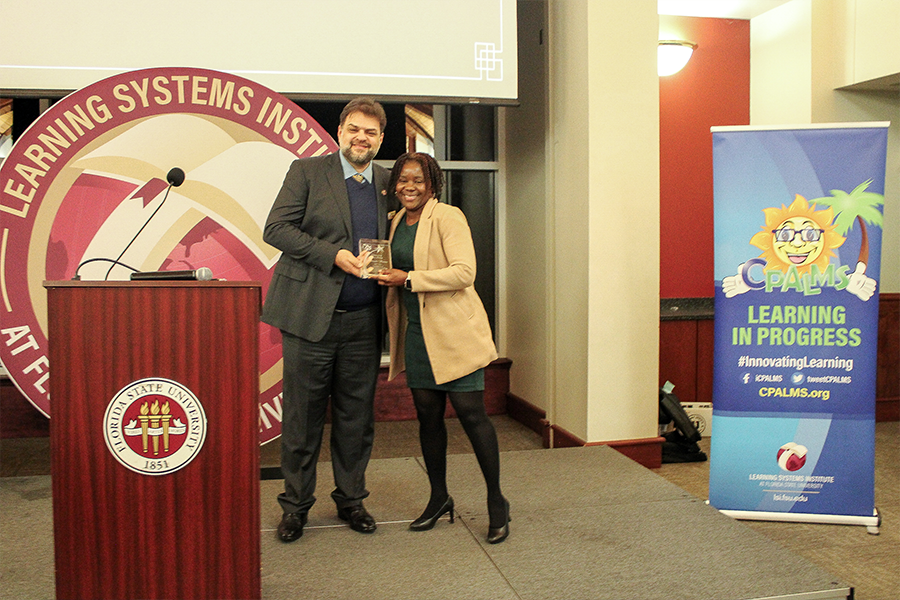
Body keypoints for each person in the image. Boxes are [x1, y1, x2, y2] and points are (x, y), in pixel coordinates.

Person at [261, 97, 397, 543]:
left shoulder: (387, 181)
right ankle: (296, 507)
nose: (362, 138)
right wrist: (333, 256)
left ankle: (351, 500)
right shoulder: (307, 171)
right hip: (310, 319)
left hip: (363, 321)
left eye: (371, 133)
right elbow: (276, 229)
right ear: (340, 132)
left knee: (356, 419)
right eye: (355, 129)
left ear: (380, 139)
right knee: (302, 419)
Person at [375, 152, 510, 544]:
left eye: (417, 180)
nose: (409, 186)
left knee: (472, 415)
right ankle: (438, 498)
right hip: (416, 335)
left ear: (432, 184)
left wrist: (408, 278)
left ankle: (497, 502)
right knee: (428, 418)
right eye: (402, 180)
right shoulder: (397, 220)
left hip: (454, 334)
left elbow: (465, 272)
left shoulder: (448, 216)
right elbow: (397, 270)